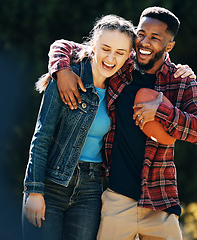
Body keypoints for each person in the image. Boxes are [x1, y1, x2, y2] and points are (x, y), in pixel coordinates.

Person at [47, 6, 197, 240]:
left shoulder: (181, 81)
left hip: (161, 203)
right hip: (116, 200)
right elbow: (63, 46)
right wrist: (62, 70)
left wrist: (163, 110)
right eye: (141, 33)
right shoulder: (119, 66)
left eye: (155, 38)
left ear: (169, 46)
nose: (144, 42)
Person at [22, 14, 136, 240]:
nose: (111, 58)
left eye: (120, 53)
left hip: (90, 189)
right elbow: (41, 136)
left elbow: (155, 63)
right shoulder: (67, 77)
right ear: (93, 45)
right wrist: (34, 190)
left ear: (127, 57)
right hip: (50, 183)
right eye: (105, 48)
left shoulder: (121, 89)